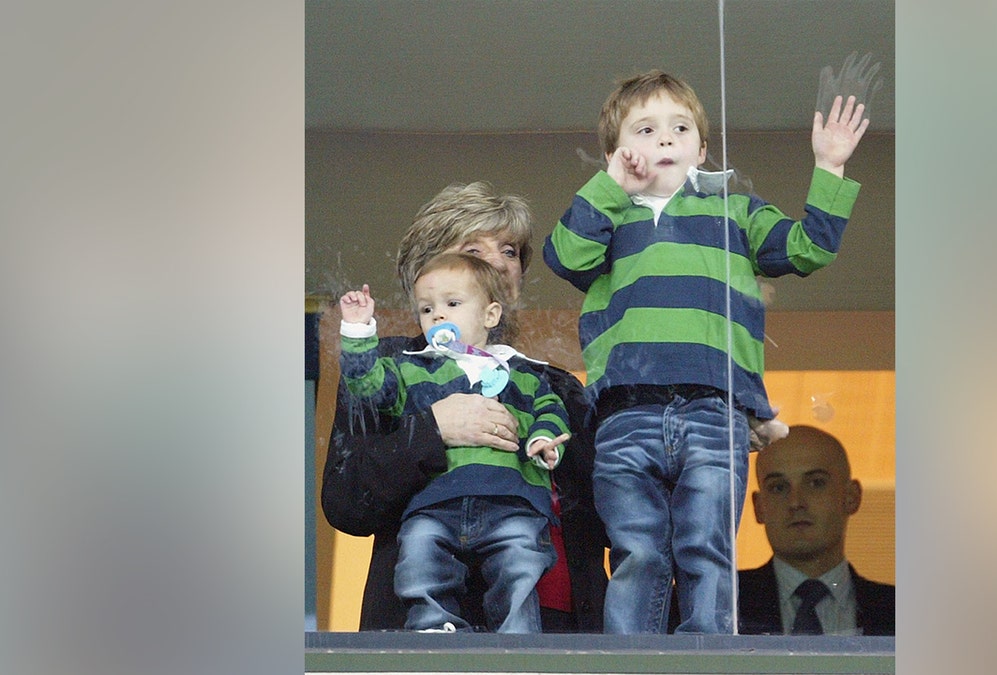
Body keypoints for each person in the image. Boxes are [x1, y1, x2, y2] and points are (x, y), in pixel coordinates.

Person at [542, 70, 868, 634]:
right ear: (617, 153)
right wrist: (608, 187)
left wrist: (830, 167)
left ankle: (707, 658)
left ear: (703, 148)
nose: (665, 139)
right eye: (645, 129)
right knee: (637, 551)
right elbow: (564, 258)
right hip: (625, 414)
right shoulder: (607, 219)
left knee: (707, 546)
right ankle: (631, 665)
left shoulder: (735, 212)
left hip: (715, 413)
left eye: (680, 127)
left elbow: (808, 249)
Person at [321, 182, 607, 632]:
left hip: (557, 626)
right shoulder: (389, 368)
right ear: (429, 271)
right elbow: (348, 501)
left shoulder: (556, 385)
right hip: (432, 630)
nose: (497, 262)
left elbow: (608, 521)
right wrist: (435, 428)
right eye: (474, 249)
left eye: (510, 251)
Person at [339, 252, 571, 633]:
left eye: (452, 304)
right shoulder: (412, 368)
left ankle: (519, 636)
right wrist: (359, 332)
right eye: (427, 309)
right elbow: (369, 388)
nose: (438, 316)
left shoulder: (522, 372)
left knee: (522, 560)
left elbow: (550, 409)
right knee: (416, 554)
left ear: (490, 315)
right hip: (434, 502)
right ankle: (432, 625)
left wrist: (546, 439)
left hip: (510, 498)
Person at [737, 425, 894, 636]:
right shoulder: (715, 608)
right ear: (759, 507)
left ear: (851, 497)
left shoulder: (908, 616)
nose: (795, 502)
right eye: (778, 487)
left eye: (815, 483)